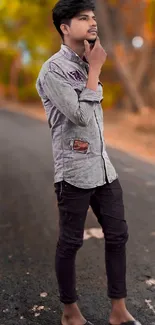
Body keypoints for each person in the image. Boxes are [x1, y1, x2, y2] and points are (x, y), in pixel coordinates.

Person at [36, 1, 142, 325]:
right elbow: (81, 116)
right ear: (65, 28)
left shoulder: (85, 63)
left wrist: (91, 67)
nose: (93, 23)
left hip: (103, 169)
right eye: (84, 18)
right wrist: (95, 69)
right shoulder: (52, 70)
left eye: (94, 17)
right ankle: (70, 313)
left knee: (118, 235)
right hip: (73, 173)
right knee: (70, 242)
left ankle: (118, 311)